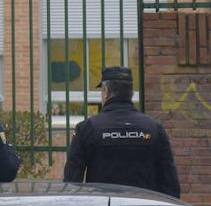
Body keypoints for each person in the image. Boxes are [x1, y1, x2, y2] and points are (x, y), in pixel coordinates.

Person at [63, 66, 181, 197]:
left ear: (106, 92)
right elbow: (170, 184)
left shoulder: (87, 128)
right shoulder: (154, 128)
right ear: (131, 93)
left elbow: (72, 183)